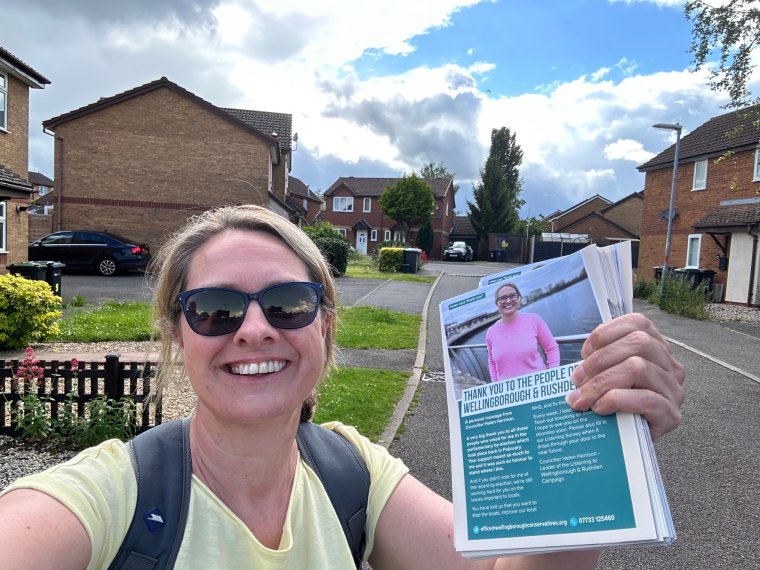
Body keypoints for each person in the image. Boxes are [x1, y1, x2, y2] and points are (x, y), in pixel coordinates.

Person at [0, 205, 685, 569]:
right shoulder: (110, 495)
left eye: (289, 304)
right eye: (216, 309)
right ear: (179, 333)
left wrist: (592, 437)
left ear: (324, 329)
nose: (256, 329)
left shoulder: (353, 472)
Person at [486, 283, 560, 382]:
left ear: (519, 298)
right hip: (507, 393)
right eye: (503, 298)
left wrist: (552, 374)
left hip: (538, 385)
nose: (508, 301)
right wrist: (495, 384)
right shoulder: (491, 332)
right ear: (497, 303)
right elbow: (492, 362)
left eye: (512, 296)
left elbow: (552, 349)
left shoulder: (534, 319)